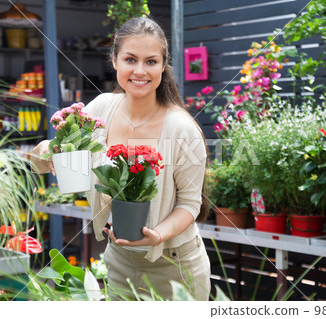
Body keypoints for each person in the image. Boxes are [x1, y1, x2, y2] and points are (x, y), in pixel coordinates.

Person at [30, 17, 211, 301]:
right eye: (130, 59)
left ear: (163, 66)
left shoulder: (182, 127)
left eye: (151, 61)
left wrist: (158, 235)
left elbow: (190, 204)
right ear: (114, 61)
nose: (140, 71)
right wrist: (45, 151)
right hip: (119, 262)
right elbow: (56, 150)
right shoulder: (102, 108)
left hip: (175, 267)